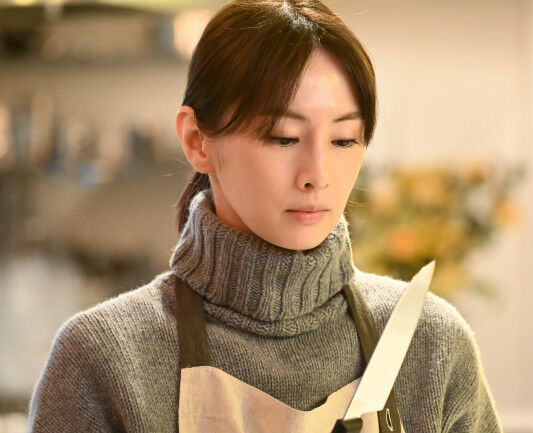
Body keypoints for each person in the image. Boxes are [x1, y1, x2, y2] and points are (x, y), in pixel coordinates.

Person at [26, 0, 503, 432]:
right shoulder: (104, 360)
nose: (317, 174)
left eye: (343, 140)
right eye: (283, 138)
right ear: (196, 140)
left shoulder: (429, 344)